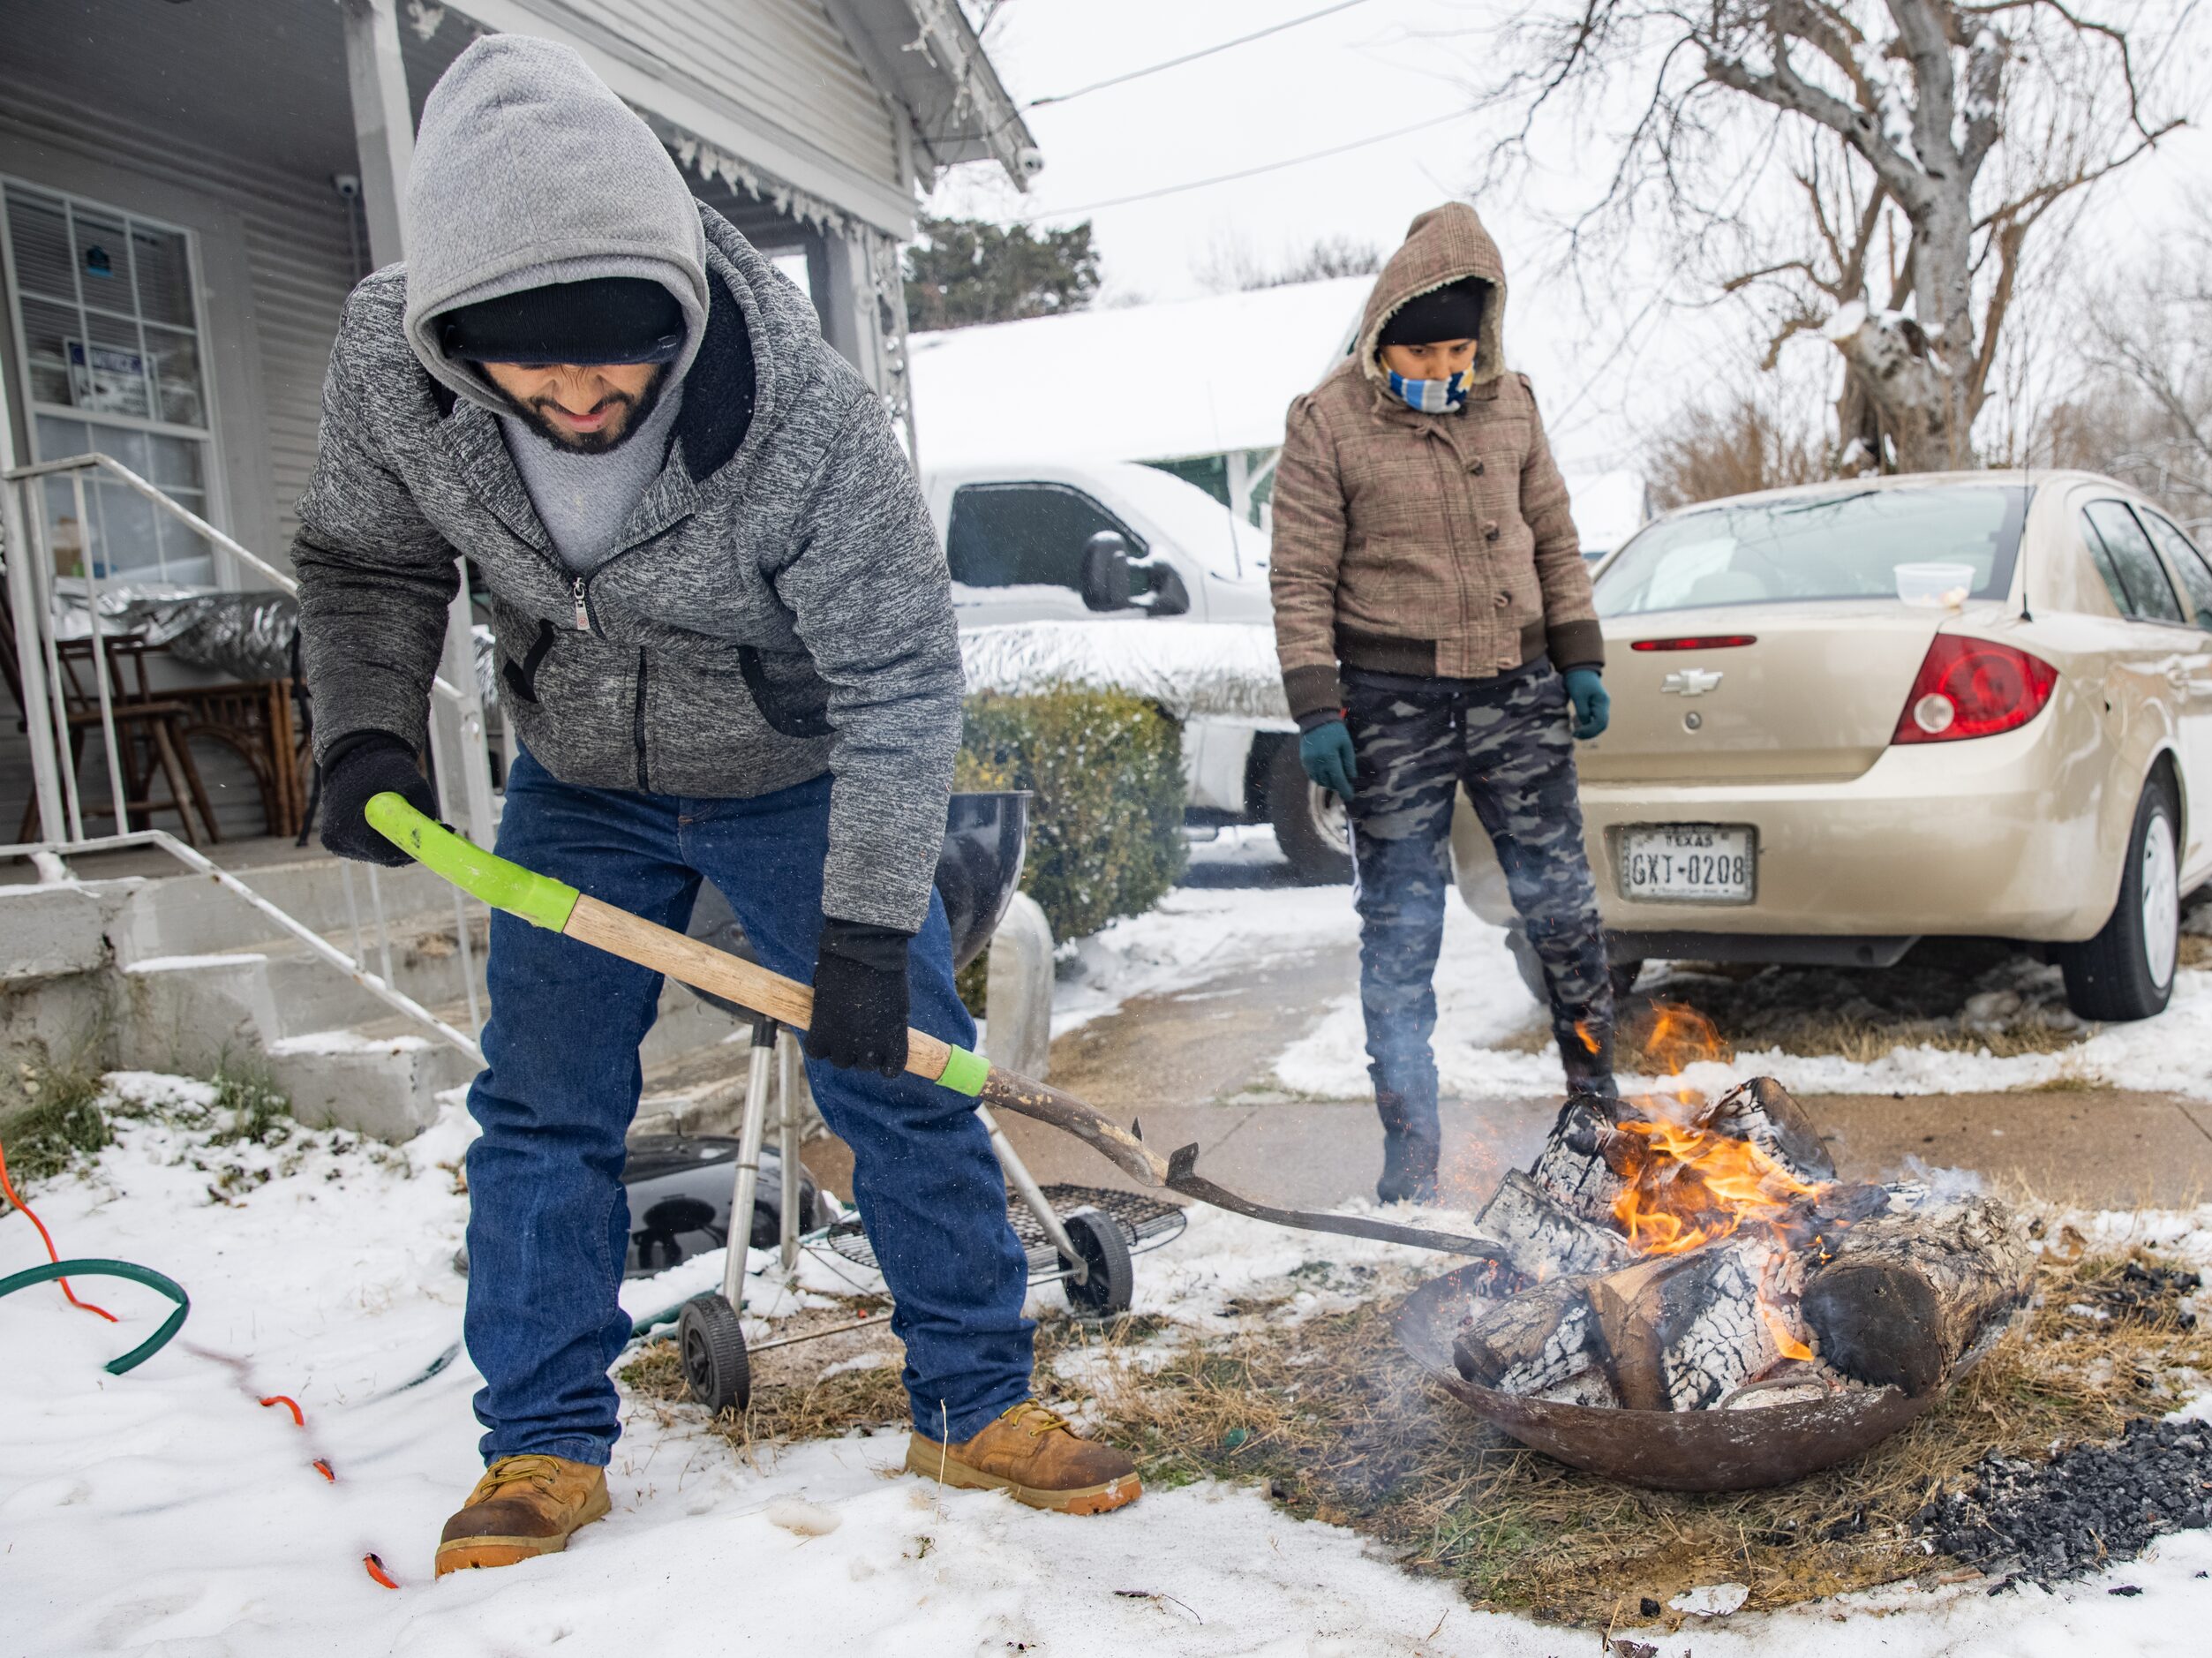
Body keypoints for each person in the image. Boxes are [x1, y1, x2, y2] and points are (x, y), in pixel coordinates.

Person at [292, 36, 1137, 1578]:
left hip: (795, 775)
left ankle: (973, 1399)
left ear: (676, 314)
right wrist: (362, 727)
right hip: (580, 779)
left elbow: (898, 675)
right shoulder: (388, 370)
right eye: (531, 368)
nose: (579, 392)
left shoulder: (800, 411)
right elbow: (367, 560)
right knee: (544, 1106)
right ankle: (541, 1444)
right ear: (454, 342)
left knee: (899, 1074)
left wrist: (873, 924)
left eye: (617, 355)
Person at [1269, 203, 1616, 1205]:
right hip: (1390, 706)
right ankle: (1410, 1148)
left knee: (1563, 910)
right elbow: (1298, 578)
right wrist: (1317, 709)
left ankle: (1598, 1108)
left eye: (1458, 346)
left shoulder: (1513, 407)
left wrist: (1578, 655)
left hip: (1515, 689)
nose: (1439, 365)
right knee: (1400, 927)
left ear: (1485, 337)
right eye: (1420, 348)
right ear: (1382, 338)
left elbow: (1553, 536)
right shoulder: (1326, 422)